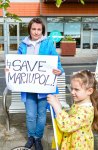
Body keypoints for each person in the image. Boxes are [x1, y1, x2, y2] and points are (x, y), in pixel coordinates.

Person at [17, 17, 64, 150]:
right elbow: (17, 63)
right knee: (31, 115)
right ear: (29, 30)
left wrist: (58, 70)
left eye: (39, 29)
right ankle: (31, 136)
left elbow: (57, 62)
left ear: (42, 31)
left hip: (44, 87)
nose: (36, 32)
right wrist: (10, 69)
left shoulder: (48, 44)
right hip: (28, 87)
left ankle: (38, 138)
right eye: (34, 29)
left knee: (42, 114)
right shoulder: (23, 45)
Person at [47, 70, 98, 150]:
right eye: (72, 88)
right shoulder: (77, 104)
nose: (72, 92)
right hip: (71, 143)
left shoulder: (86, 111)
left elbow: (67, 125)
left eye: (76, 89)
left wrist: (56, 107)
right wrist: (59, 106)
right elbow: (70, 118)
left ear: (89, 91)